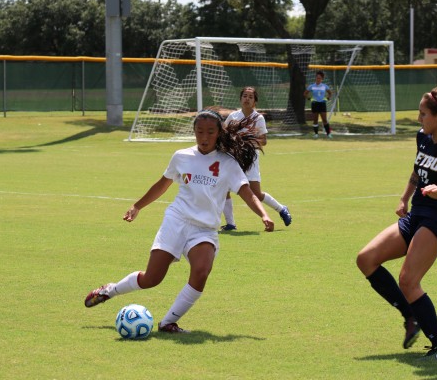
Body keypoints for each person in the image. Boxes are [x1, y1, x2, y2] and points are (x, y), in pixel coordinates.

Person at [84, 110, 275, 333]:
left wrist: (263, 214)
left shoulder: (228, 163)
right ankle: (110, 290)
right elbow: (161, 185)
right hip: (176, 221)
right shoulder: (181, 156)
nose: (204, 137)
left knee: (201, 271)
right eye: (199, 131)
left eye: (210, 132)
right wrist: (137, 206)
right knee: (151, 279)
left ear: (219, 133)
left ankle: (168, 323)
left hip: (204, 230)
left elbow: (247, 192)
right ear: (193, 132)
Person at [356, 87, 437, 360]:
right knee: (366, 259)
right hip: (416, 214)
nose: (419, 119)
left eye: (423, 114)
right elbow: (418, 169)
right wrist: (404, 199)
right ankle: (410, 316)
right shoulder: (423, 137)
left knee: (408, 280)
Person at [221, 86, 292, 231]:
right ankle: (230, 224)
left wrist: (246, 141)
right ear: (240, 99)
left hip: (250, 159)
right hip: (233, 159)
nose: (247, 99)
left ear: (255, 102)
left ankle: (281, 209)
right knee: (224, 189)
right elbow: (224, 135)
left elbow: (263, 141)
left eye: (250, 97)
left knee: (256, 194)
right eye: (244, 96)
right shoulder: (233, 116)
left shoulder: (258, 118)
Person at [304, 70, 333, 138]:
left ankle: (328, 134)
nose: (318, 79)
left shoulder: (325, 86)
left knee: (324, 120)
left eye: (320, 78)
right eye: (317, 78)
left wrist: (327, 99)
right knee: (315, 120)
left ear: (322, 79)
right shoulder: (311, 86)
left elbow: (330, 93)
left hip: (322, 104)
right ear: (315, 78)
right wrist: (310, 99)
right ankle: (316, 134)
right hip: (314, 104)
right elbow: (305, 93)